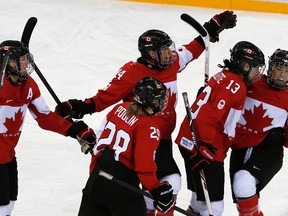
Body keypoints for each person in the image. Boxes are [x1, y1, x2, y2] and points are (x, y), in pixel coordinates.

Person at [55, 10, 237, 216]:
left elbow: (192, 49)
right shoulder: (132, 73)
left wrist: (212, 25)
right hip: (141, 138)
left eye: (169, 49)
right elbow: (104, 98)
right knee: (168, 183)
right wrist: (78, 106)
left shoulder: (172, 62)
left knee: (167, 184)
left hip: (162, 139)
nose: (170, 54)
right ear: (151, 54)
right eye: (164, 51)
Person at [0, 40, 96, 216]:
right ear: (7, 62)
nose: (26, 63)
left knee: (9, 202)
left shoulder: (28, 85)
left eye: (26, 59)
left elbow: (44, 117)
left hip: (7, 154)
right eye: (20, 60)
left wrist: (74, 130)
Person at [175, 41, 266, 216]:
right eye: (255, 68)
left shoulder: (223, 75)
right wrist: (206, 147)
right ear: (245, 66)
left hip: (188, 140)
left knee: (199, 200)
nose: (258, 74)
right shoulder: (236, 85)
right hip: (203, 147)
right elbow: (207, 117)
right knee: (214, 208)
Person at [77, 77, 176, 216]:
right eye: (159, 99)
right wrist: (156, 190)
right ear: (150, 101)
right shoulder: (149, 127)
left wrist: (94, 173)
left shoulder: (120, 108)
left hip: (96, 179)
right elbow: (144, 167)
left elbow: (99, 144)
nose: (162, 102)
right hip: (123, 187)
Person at [229, 48, 288, 216]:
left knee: (243, 182)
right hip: (240, 147)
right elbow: (227, 95)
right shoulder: (251, 81)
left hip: (269, 149)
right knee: (242, 192)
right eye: (279, 68)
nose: (282, 74)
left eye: (287, 71)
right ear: (270, 68)